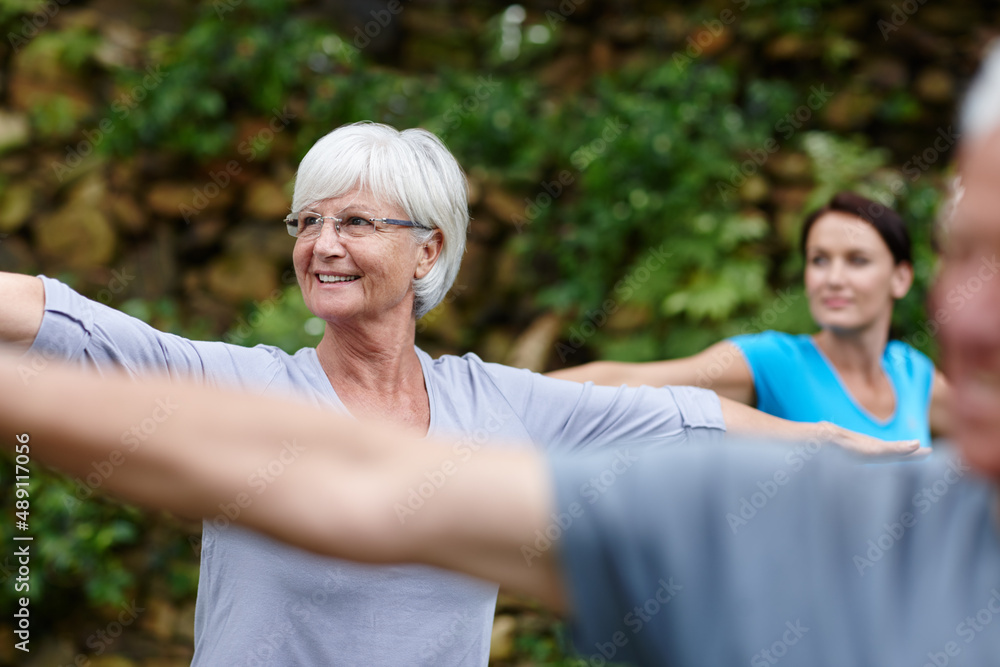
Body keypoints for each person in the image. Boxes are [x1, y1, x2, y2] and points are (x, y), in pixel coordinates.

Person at [0, 122, 914, 665]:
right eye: (307, 220)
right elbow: (76, 325)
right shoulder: (242, 387)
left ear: (429, 250)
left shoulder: (499, 404)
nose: (322, 243)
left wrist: (832, 447)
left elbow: (684, 415)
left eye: (354, 221)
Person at [549, 192, 952, 448]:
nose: (833, 278)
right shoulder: (773, 360)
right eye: (819, 260)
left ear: (901, 278)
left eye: (857, 260)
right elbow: (632, 379)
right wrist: (505, 392)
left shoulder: (914, 373)